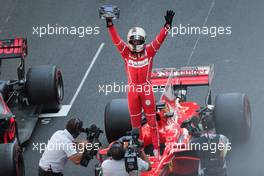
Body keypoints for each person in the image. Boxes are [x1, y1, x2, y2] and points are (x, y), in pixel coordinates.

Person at [106, 10, 175, 157]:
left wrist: (167, 25)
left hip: (146, 90)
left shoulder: (150, 51)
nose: (136, 43)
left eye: (138, 41)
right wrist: (110, 24)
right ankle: (140, 152)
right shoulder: (125, 53)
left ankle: (156, 150)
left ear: (143, 41)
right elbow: (116, 40)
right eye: (133, 41)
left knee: (152, 122)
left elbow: (159, 40)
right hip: (132, 91)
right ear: (130, 41)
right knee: (135, 126)